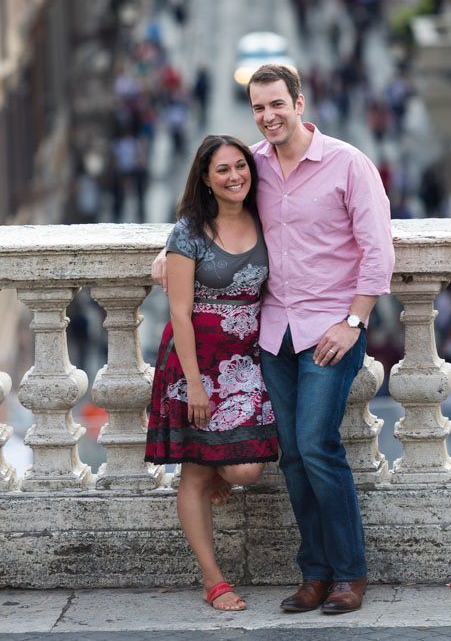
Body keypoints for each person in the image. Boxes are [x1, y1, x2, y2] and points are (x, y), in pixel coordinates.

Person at [152, 66, 394, 615]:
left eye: (277, 104)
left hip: (330, 330)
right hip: (272, 333)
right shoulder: (253, 165)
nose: (269, 117)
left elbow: (378, 254)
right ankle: (313, 574)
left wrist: (352, 322)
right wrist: (169, 253)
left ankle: (349, 574)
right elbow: (212, 212)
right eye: (259, 108)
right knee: (289, 457)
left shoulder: (348, 164)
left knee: (316, 444)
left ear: (299, 102)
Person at [145, 134, 278, 612]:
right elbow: (179, 312)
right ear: (205, 177)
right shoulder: (188, 232)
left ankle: (224, 472)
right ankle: (213, 580)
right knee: (196, 473)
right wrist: (196, 385)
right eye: (222, 170)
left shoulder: (264, 217)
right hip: (195, 364)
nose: (235, 176)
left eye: (240, 166)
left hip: (247, 361)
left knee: (245, 469)